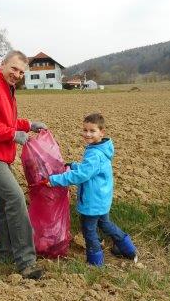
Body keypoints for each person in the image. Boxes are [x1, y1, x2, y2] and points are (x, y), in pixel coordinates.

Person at [0, 51, 47, 279]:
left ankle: (4, 254)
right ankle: (26, 262)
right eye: (14, 69)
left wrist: (28, 124)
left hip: (0, 154)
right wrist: (13, 135)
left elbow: (7, 120)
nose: (17, 75)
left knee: (4, 204)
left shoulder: (7, 88)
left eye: (21, 72)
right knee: (15, 198)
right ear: (2, 64)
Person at [46, 113, 137, 267]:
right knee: (105, 224)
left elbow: (82, 175)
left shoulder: (94, 154)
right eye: (85, 130)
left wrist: (54, 180)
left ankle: (95, 263)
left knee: (89, 231)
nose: (87, 134)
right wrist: (74, 165)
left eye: (92, 131)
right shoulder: (101, 149)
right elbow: (90, 169)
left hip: (92, 201)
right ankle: (128, 250)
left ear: (102, 132)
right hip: (102, 199)